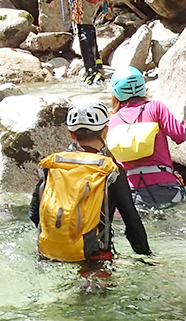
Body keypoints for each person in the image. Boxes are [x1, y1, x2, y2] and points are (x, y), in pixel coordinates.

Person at [29, 97, 152, 278]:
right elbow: (131, 219)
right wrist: (146, 255)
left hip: (49, 251)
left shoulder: (53, 165)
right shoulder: (111, 170)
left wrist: (60, 237)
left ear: (72, 134)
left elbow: (34, 212)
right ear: (105, 131)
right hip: (95, 255)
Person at [106, 66, 186, 207]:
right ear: (142, 86)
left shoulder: (113, 120)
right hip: (166, 187)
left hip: (133, 193)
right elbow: (180, 135)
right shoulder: (155, 107)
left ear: (116, 92)